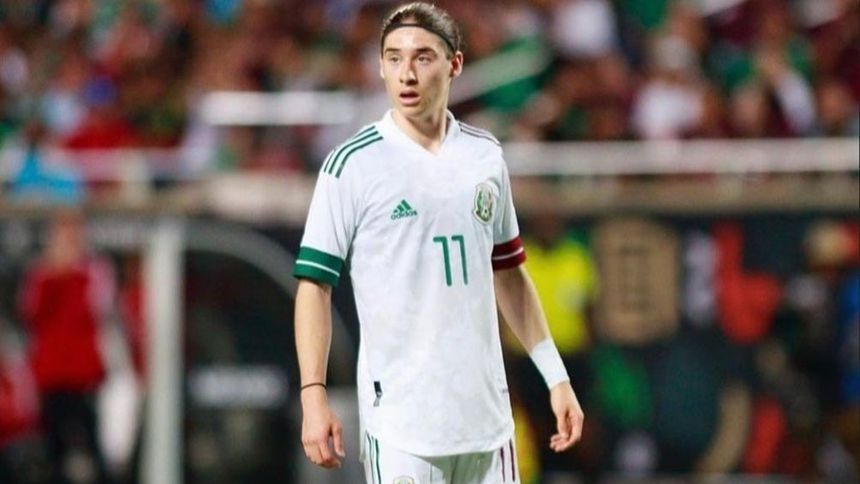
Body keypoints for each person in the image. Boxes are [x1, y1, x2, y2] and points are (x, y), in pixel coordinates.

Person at [293, 3, 584, 482]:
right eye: (393, 58)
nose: (406, 73)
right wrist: (313, 394)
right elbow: (314, 286)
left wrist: (556, 376)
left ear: (455, 64)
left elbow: (509, 273)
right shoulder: (352, 164)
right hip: (402, 427)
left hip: (488, 425)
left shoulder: (484, 156)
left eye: (423, 57)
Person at [19, 210, 114, 484]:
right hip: (51, 375)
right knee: (52, 449)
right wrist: (52, 273)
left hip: (84, 376)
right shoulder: (39, 274)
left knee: (93, 445)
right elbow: (31, 312)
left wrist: (72, 273)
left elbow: (98, 309)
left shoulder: (94, 270)